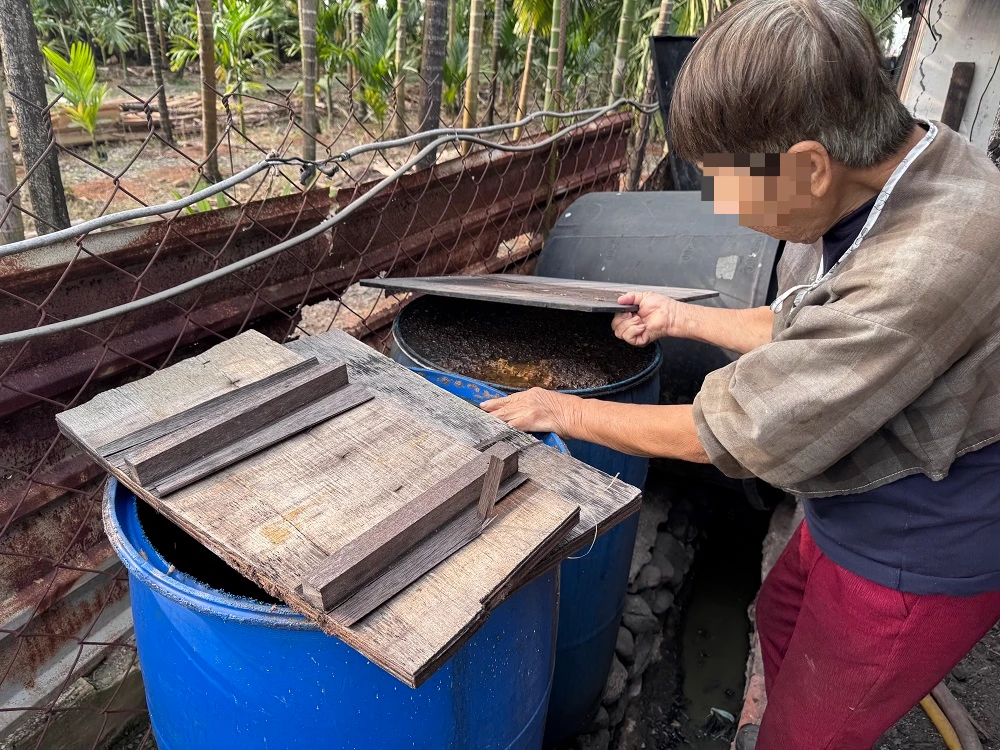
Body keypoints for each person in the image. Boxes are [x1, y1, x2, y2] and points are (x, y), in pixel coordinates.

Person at [479, 0, 1000, 747]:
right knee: (778, 617)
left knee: (808, 734)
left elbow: (738, 428)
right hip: (853, 494)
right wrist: (681, 317)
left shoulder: (922, 268)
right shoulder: (903, 168)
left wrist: (565, 411)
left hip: (915, 544)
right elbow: (808, 326)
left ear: (810, 166)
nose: (721, 205)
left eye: (730, 183)